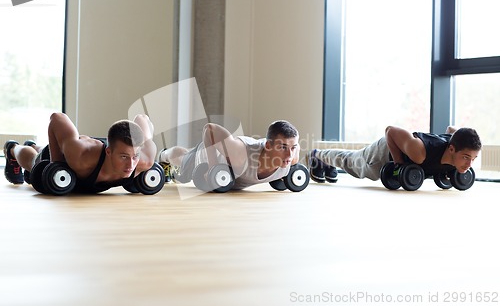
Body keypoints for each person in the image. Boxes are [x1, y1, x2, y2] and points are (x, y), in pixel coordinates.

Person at [3, 112, 157, 193]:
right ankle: (12, 149)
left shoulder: (144, 161)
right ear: (109, 152)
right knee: (33, 160)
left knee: (37, 149)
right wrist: (56, 164)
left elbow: (142, 118)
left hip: (100, 150)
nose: (131, 164)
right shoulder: (81, 157)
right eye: (124, 157)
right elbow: (57, 118)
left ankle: (34, 145)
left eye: (134, 156)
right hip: (69, 155)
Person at [158, 120, 300, 190]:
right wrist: (212, 167)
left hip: (231, 162)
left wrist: (290, 148)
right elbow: (210, 129)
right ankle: (164, 155)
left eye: (293, 147)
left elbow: (293, 149)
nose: (289, 154)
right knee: (182, 160)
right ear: (268, 146)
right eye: (283, 147)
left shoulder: (292, 157)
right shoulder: (241, 155)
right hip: (207, 155)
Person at [307, 125, 482, 182]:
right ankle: (317, 156)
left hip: (403, 150)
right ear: (452, 149)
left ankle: (324, 161)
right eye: (466, 158)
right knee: (351, 161)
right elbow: (390, 130)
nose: (469, 165)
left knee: (350, 160)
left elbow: (452, 129)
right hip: (383, 154)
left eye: (473, 159)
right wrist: (399, 163)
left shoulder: (454, 144)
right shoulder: (419, 152)